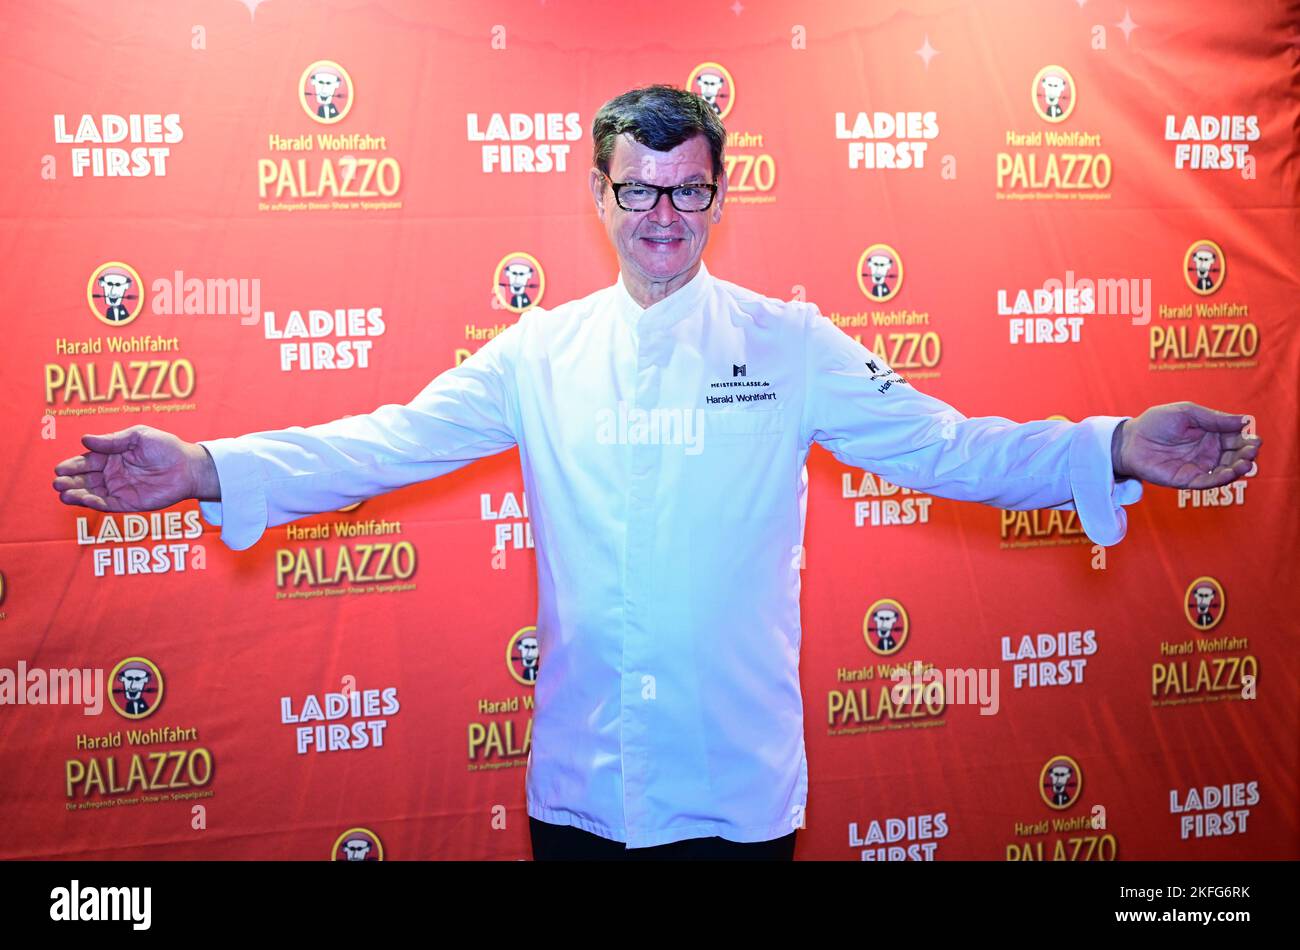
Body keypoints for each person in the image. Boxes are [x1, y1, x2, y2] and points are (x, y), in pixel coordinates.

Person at [52, 84, 1262, 861]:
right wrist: (207, 464)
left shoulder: (788, 341)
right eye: (639, 189)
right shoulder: (540, 348)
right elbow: (380, 441)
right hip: (580, 788)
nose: (663, 214)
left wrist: (1109, 445)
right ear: (601, 195)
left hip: (740, 791)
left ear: (717, 194)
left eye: (687, 190)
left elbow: (948, 447)